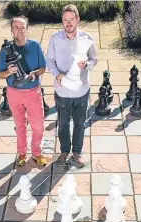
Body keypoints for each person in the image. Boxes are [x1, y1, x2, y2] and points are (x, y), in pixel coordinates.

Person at [46, 4, 98, 167]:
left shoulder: (87, 38)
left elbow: (94, 59)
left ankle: (77, 152)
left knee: (79, 123)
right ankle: (64, 151)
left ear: (77, 20)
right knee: (62, 124)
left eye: (71, 20)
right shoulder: (55, 38)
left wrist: (87, 65)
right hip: (62, 91)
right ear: (62, 21)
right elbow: (50, 61)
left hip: (81, 91)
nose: (68, 23)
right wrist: (57, 75)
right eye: (65, 20)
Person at [0, 15, 47, 167]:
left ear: (27, 29)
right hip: (14, 92)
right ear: (11, 30)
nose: (19, 30)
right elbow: (0, 74)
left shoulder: (35, 46)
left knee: (38, 125)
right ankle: (22, 153)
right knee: (20, 125)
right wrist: (8, 72)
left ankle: (37, 153)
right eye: (15, 27)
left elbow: (43, 67)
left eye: (22, 27)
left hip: (32, 91)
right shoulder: (6, 50)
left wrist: (34, 73)